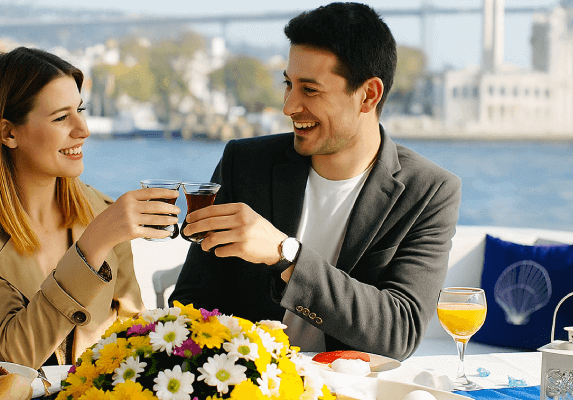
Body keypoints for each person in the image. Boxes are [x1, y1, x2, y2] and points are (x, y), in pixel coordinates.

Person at [169, 2, 462, 361]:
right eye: (288, 84)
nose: (289, 106)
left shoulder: (430, 192)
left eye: (309, 90)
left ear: (368, 95)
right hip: (246, 378)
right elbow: (192, 303)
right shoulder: (243, 164)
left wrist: (285, 254)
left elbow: (398, 333)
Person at [0, 47, 181, 369]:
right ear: (8, 133)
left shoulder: (102, 211)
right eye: (61, 117)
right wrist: (93, 244)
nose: (83, 129)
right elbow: (15, 353)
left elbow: (131, 337)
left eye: (80, 110)